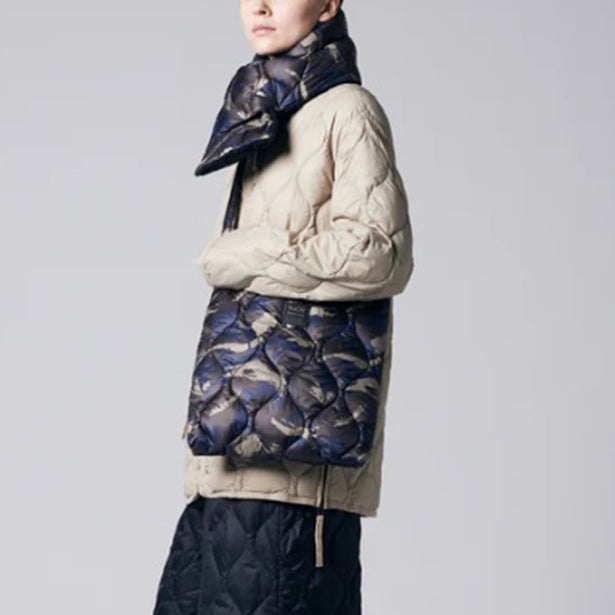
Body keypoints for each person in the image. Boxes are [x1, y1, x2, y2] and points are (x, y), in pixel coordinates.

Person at [152, 1, 414, 613]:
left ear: (329, 4)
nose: (260, 5)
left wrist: (250, 252)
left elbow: (381, 252)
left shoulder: (347, 109)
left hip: (293, 473)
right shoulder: (262, 105)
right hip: (226, 457)